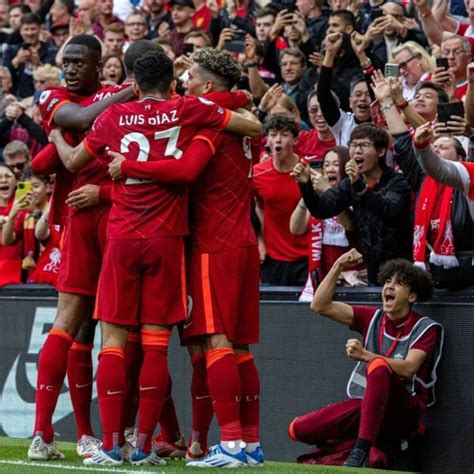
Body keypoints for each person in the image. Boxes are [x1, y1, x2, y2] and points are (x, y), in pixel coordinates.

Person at [50, 49, 261, 466]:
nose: (184, 81)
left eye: (191, 76)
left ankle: (116, 444)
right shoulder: (186, 111)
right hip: (181, 239)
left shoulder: (116, 116)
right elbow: (250, 121)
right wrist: (240, 100)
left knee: (117, 342)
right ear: (168, 84)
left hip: (143, 238)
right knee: (168, 346)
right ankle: (155, 443)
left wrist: (58, 135)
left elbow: (74, 161)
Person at [27, 34, 136, 462]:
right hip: (77, 223)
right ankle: (48, 433)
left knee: (102, 331)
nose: (70, 68)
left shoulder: (111, 95)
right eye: (65, 61)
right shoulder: (52, 95)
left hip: (116, 217)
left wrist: (60, 140)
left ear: (98, 64)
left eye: (78, 62)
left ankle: (105, 434)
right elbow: (85, 116)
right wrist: (134, 89)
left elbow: (52, 156)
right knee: (75, 325)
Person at [289, 250, 443, 468]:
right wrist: (339, 265)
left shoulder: (425, 328)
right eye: (387, 281)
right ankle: (353, 444)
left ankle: (359, 452)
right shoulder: (372, 317)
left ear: (412, 296)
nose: (389, 286)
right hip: (368, 406)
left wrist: (365, 355)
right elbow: (319, 305)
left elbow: (409, 368)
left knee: (379, 365)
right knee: (297, 429)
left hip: (403, 413)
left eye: (398, 283)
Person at [294, 123, 412, 284]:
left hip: (402, 271)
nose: (357, 150)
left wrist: (358, 184)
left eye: (364, 145)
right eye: (353, 145)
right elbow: (322, 210)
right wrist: (305, 185)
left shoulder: (397, 182)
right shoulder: (349, 184)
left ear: (381, 151)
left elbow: (387, 210)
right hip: (373, 272)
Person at [290, 146, 365, 301]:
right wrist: (308, 195)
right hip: (324, 276)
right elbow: (296, 229)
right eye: (326, 165)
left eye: (336, 165)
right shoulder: (318, 200)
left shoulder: (354, 193)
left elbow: (350, 226)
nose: (330, 169)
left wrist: (329, 190)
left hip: (352, 277)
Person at [252, 114, 309, 286]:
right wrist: (261, 242)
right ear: (267, 141)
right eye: (273, 134)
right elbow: (259, 207)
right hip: (272, 257)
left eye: (284, 135)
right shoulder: (257, 174)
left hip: (305, 256)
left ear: (295, 141)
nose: (278, 140)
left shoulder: (307, 173)